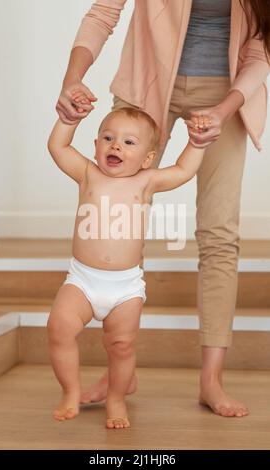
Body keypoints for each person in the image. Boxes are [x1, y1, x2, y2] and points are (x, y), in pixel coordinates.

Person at [56, 0, 270, 418]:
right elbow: (103, 13)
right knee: (117, 218)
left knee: (219, 233)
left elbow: (261, 49)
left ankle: (211, 380)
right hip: (145, 83)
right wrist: (72, 78)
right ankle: (121, 370)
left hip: (226, 92)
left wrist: (225, 109)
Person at [47, 105, 208, 428]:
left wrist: (197, 143)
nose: (116, 145)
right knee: (59, 328)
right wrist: (68, 121)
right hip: (82, 279)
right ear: (96, 145)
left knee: (121, 346)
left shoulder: (146, 182)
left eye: (128, 143)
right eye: (108, 138)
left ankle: (117, 398)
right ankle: (70, 390)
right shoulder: (88, 174)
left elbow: (182, 170)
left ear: (147, 158)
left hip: (125, 287)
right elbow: (58, 147)